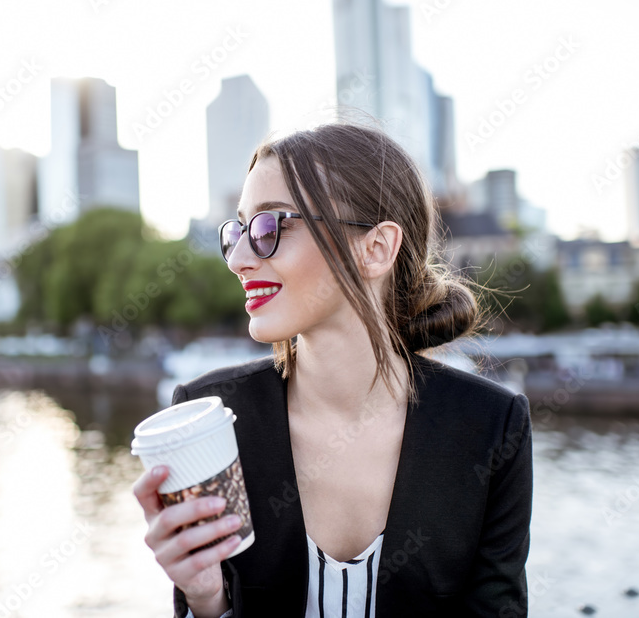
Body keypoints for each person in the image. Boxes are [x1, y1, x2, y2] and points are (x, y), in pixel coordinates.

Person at [133, 122, 533, 617]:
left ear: (376, 249)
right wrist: (205, 598)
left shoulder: (491, 427)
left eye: (268, 228)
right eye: (237, 231)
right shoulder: (210, 419)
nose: (237, 259)